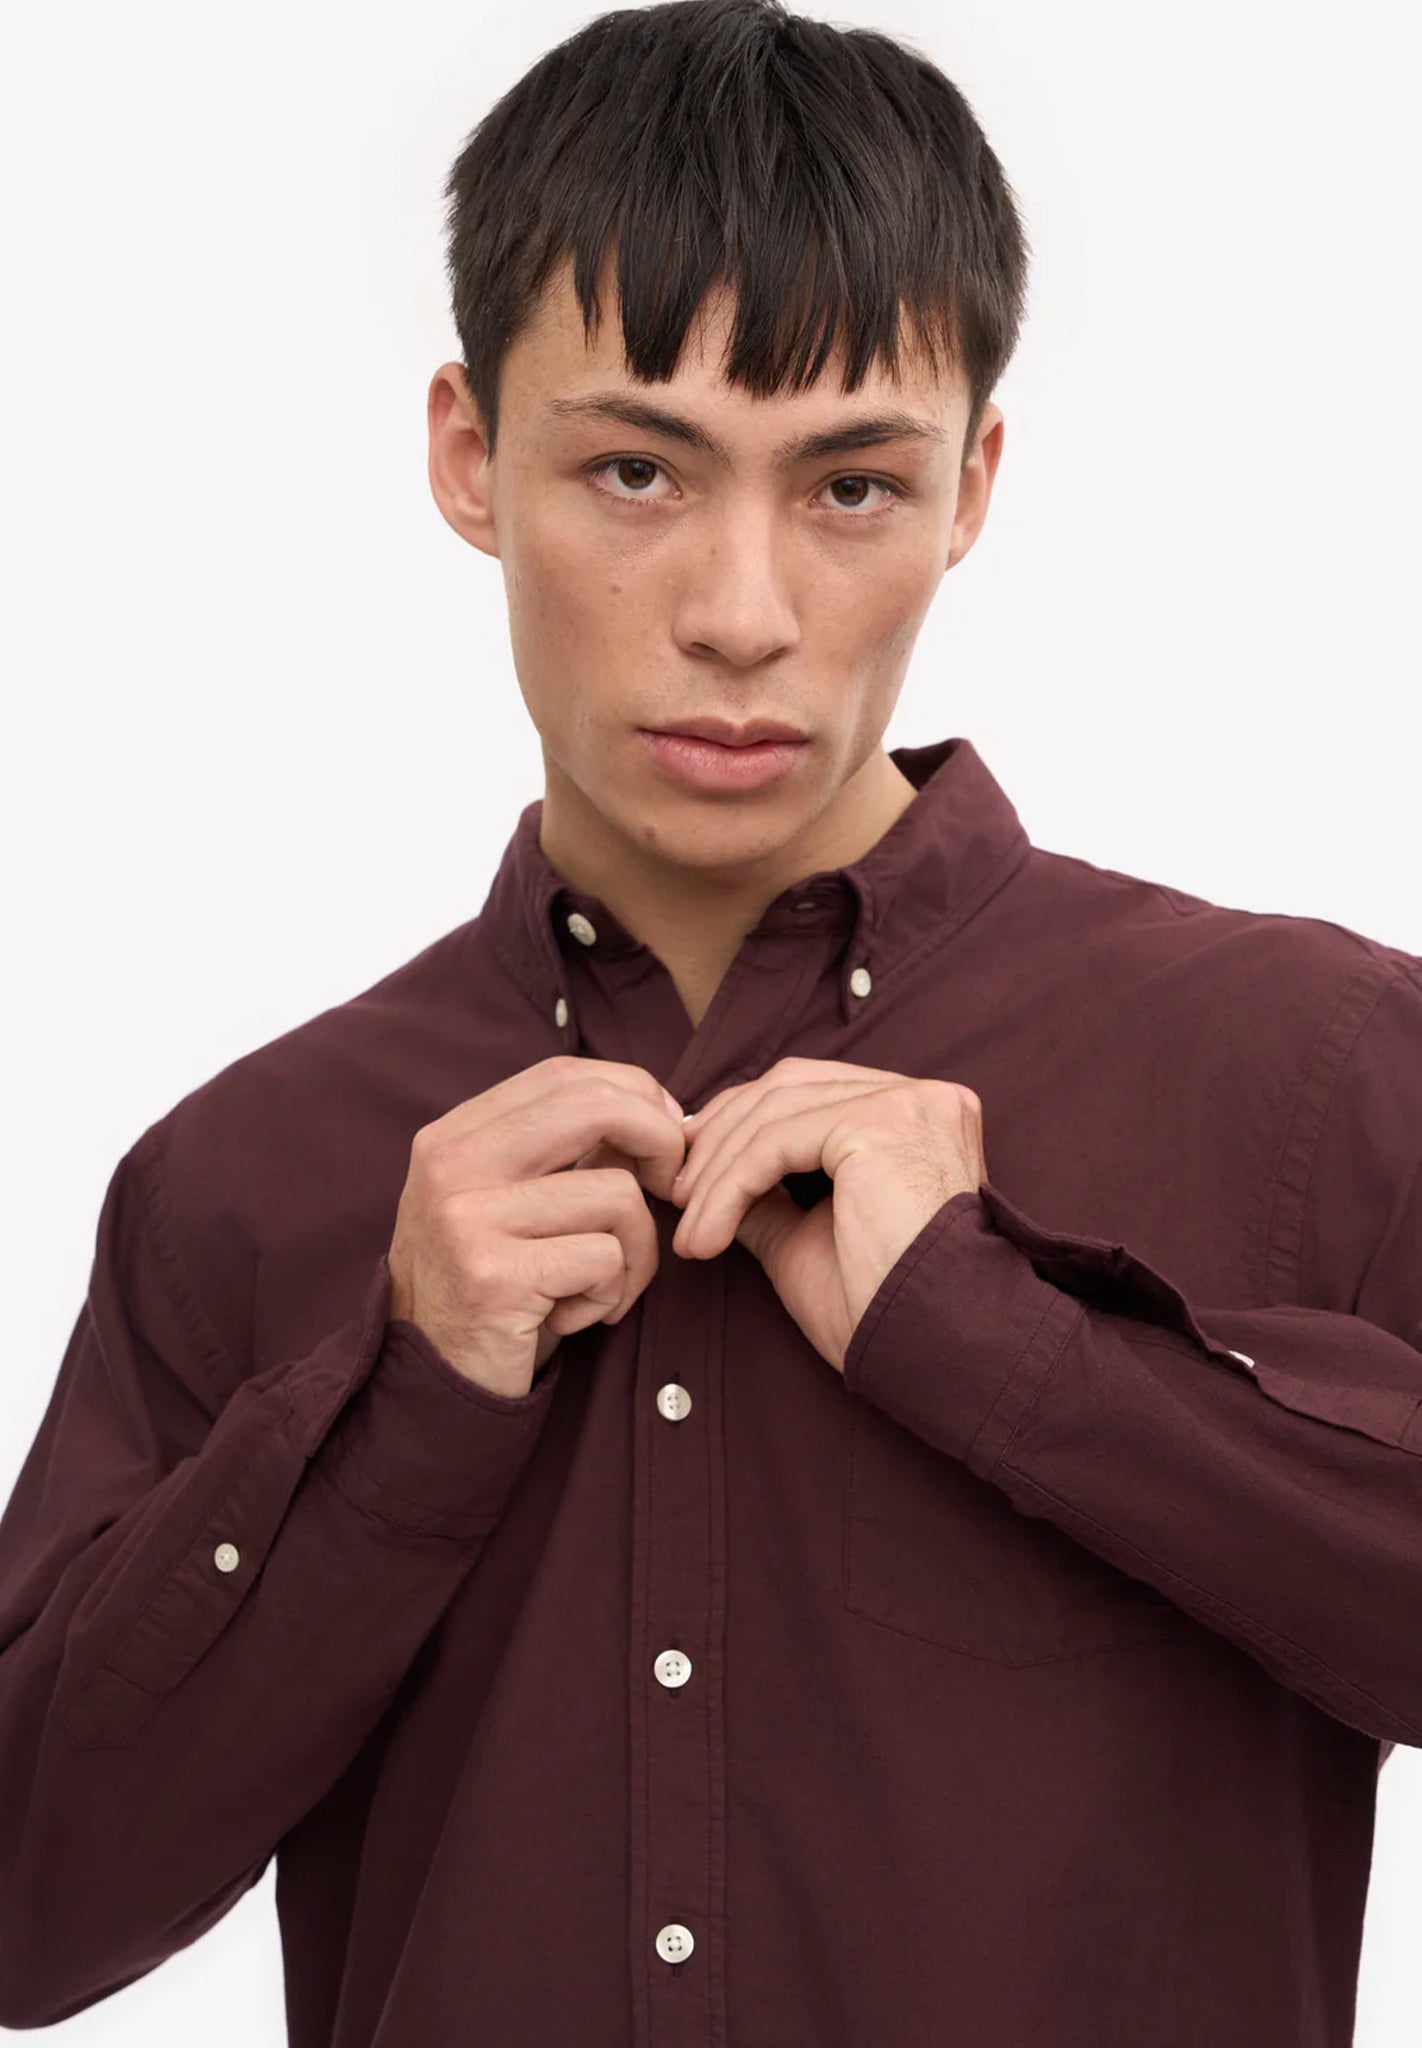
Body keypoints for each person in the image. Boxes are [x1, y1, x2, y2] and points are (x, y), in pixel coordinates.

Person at [1, 0, 1418, 2041]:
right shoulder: (243, 1181)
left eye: (849, 486)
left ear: (969, 487)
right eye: (637, 469)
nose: (741, 614)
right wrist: (399, 1401)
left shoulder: (1319, 1070)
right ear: (470, 457)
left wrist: (1013, 1350)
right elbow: (30, 1911)